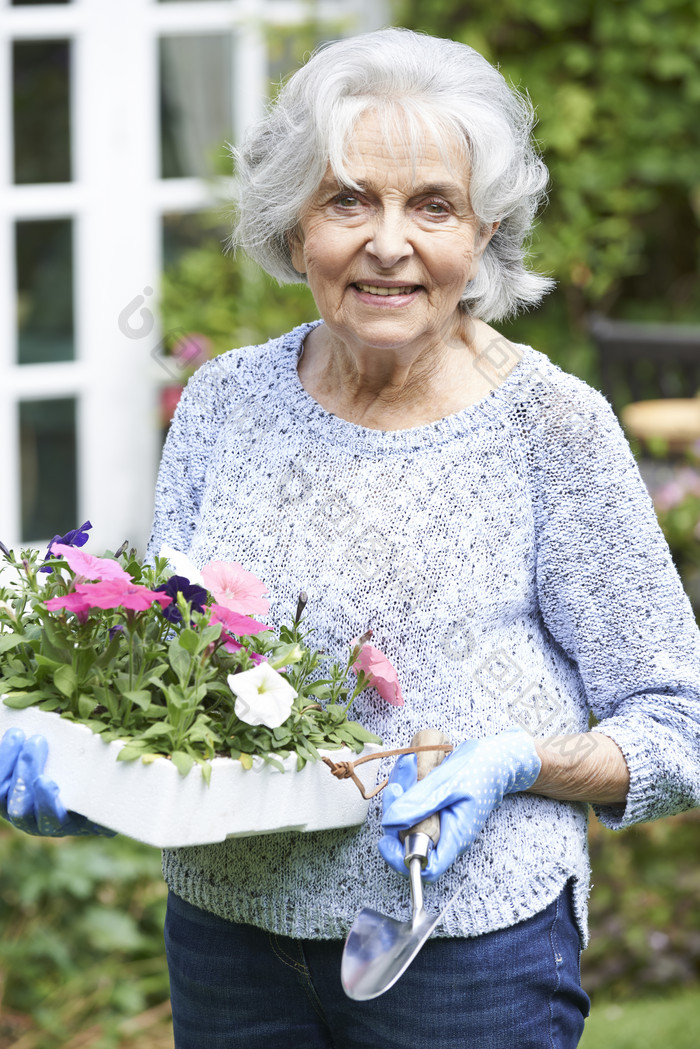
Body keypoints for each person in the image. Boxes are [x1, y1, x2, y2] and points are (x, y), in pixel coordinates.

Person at [3, 27, 700, 1049]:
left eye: (432, 205)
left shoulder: (551, 427)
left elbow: (678, 725)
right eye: (346, 199)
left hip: (462, 949)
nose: (387, 241)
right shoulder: (224, 399)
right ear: (295, 227)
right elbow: (181, 664)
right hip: (227, 939)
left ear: (485, 234)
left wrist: (513, 757)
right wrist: (86, 764)